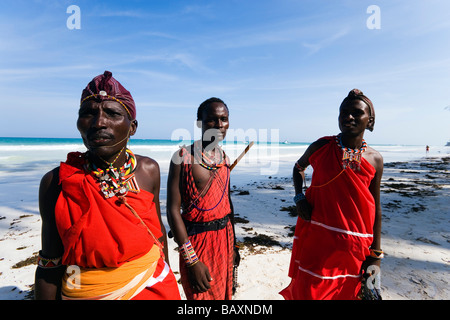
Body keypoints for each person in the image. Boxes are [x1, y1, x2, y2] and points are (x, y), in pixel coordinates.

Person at [34, 71, 181, 300]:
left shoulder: (148, 170)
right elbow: (50, 262)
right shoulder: (57, 183)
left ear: (132, 128)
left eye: (112, 113)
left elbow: (157, 233)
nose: (99, 122)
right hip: (85, 291)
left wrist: (166, 275)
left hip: (154, 286)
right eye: (88, 113)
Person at [280, 89, 384, 300]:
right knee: (311, 289)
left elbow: (376, 208)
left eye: (356, 113)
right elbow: (298, 168)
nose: (348, 117)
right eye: (343, 112)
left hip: (355, 244)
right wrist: (299, 197)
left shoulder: (375, 159)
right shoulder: (322, 146)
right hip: (318, 236)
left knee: (346, 292)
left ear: (370, 122)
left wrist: (376, 255)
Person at [166, 97, 239, 300]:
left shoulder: (224, 159)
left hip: (224, 239)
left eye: (224, 119)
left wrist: (234, 246)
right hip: (197, 243)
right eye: (211, 120)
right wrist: (192, 261)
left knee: (224, 297)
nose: (219, 125)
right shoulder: (182, 157)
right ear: (200, 123)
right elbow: (173, 210)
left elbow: (227, 203)